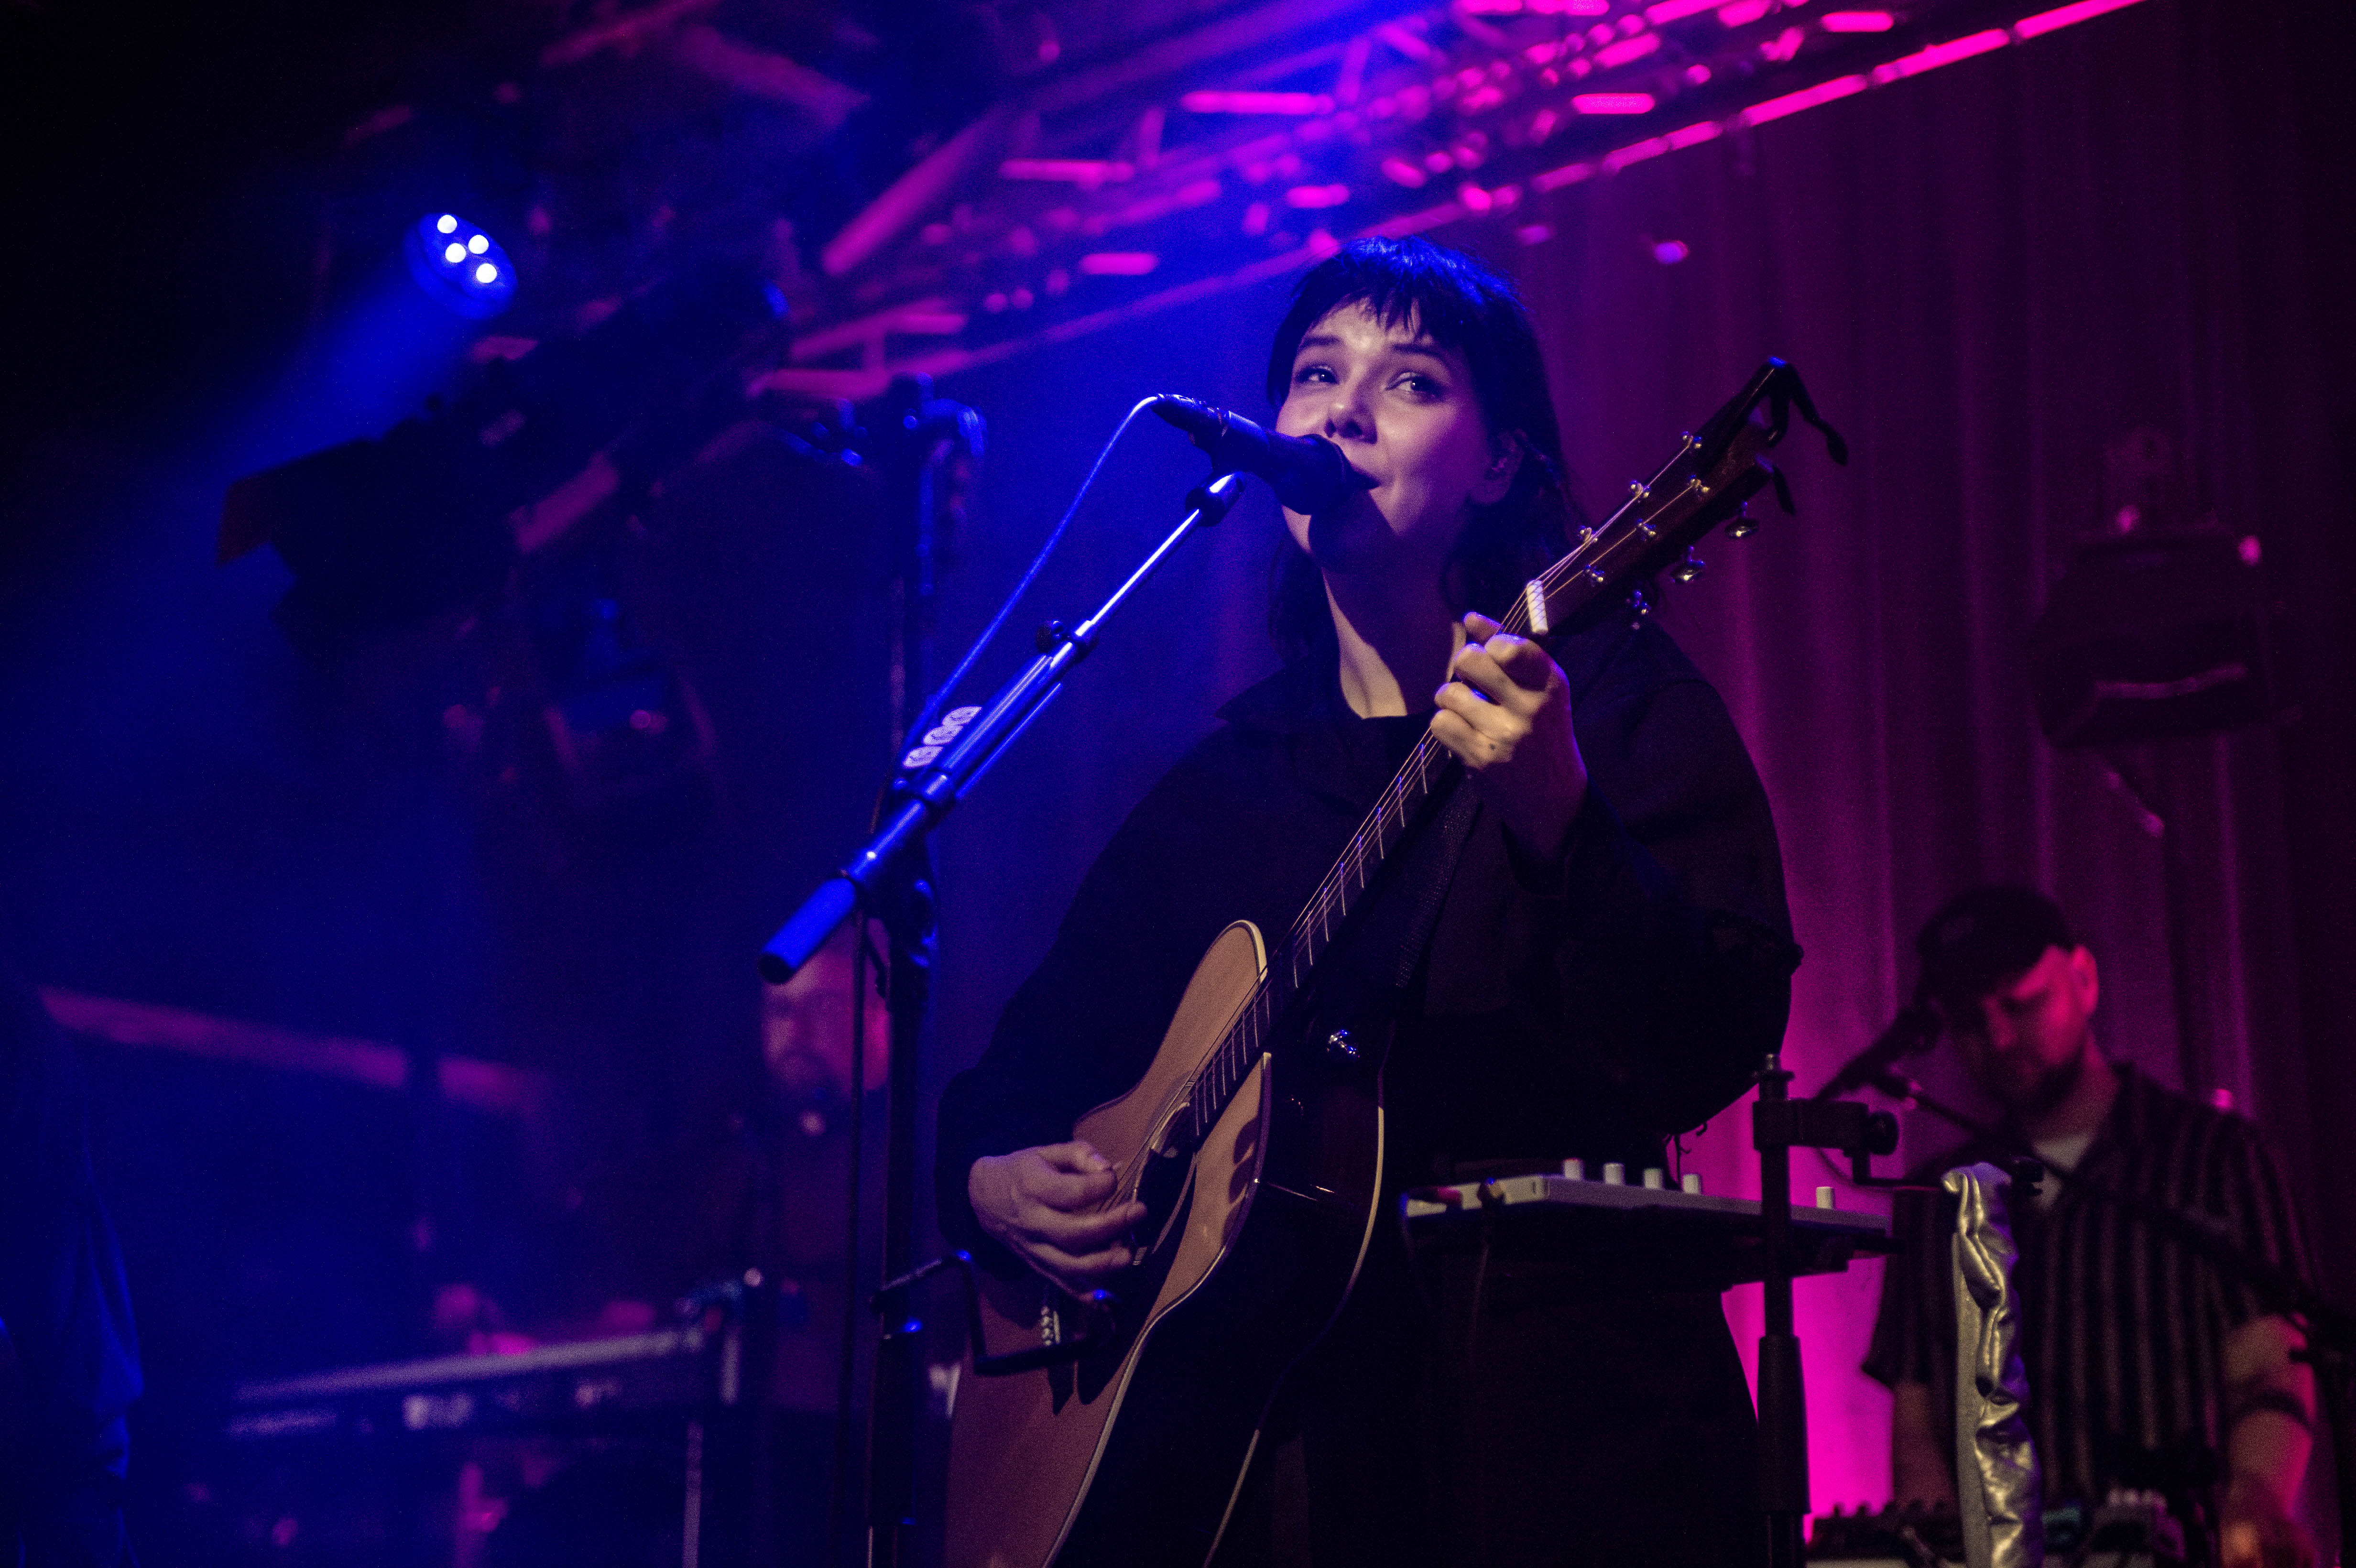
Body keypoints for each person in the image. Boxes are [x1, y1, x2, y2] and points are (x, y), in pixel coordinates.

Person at [934, 236, 1800, 1566]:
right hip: (1282, 1475)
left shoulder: (1613, 701)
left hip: (1571, 1448)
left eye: (1410, 381)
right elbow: (1024, 1069)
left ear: (1498, 463)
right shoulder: (1228, 788)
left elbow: (1711, 1039)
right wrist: (986, 1179)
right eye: (1315, 374)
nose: (1342, 411)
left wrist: (1560, 815)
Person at [1865, 885, 2317, 1568]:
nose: (2000, 1038)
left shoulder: (2217, 1159)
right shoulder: (1938, 1197)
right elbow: (1921, 1419)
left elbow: (2269, 1369)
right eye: (1971, 1022)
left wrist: (2254, 1498)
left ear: (2084, 977)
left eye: (2022, 1003)